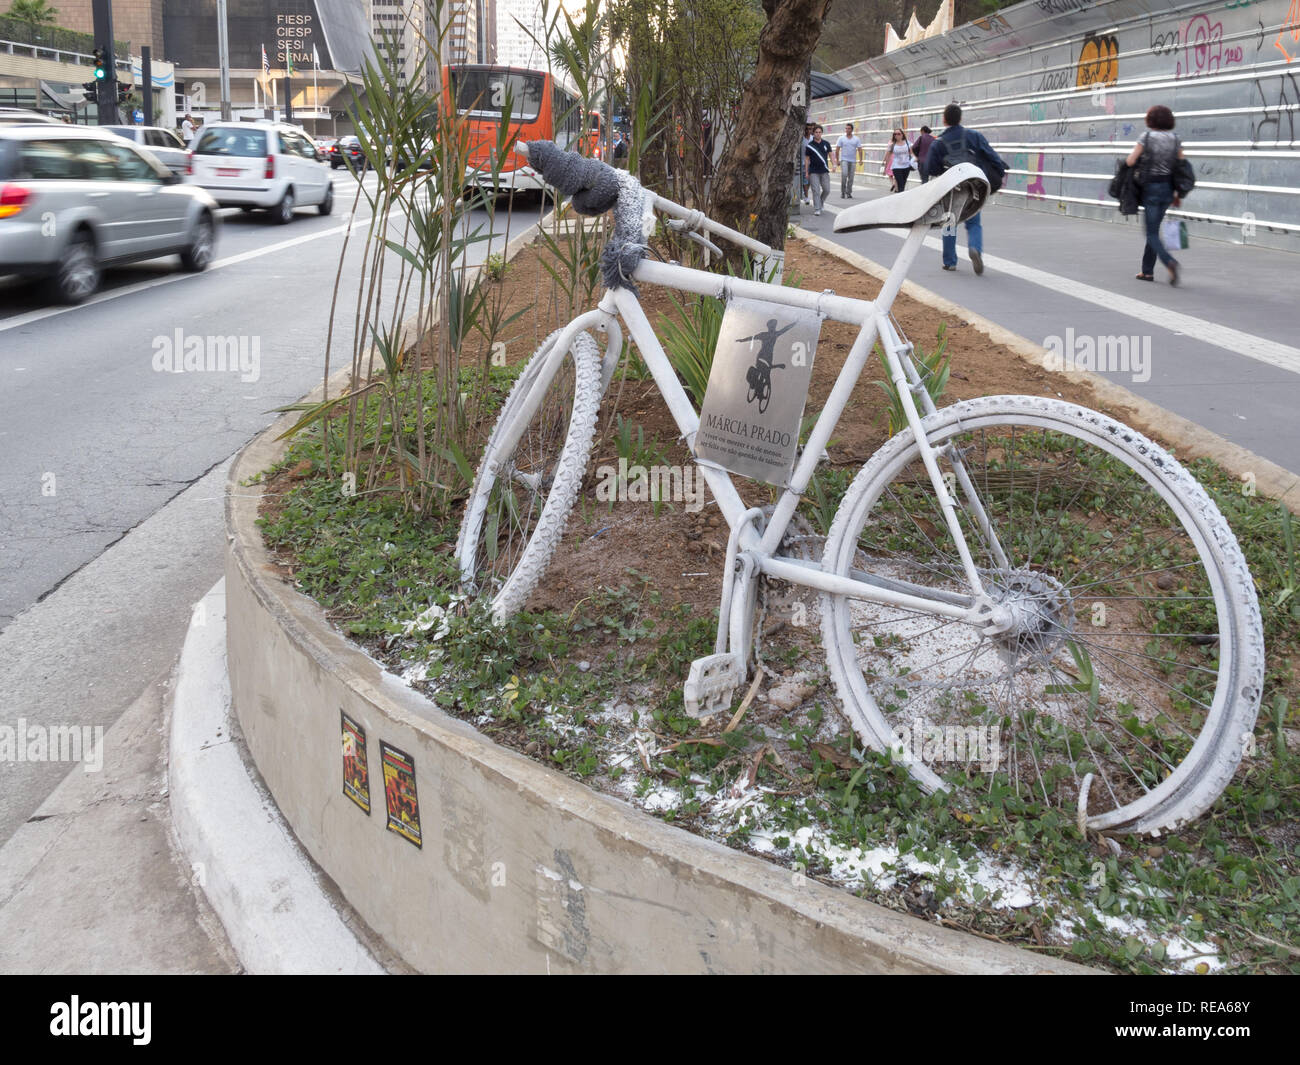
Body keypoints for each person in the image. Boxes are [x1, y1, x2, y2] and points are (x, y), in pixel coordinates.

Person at [925, 103, 1008, 275]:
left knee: (950, 221)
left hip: (951, 187)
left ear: (944, 119)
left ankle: (950, 262)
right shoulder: (974, 136)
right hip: (973, 185)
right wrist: (998, 175)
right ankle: (974, 248)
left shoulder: (938, 143)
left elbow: (931, 169)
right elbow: (991, 156)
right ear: (960, 118)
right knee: (974, 222)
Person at [1127, 104, 1184, 286]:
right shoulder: (1175, 139)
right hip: (1168, 189)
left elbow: (1131, 160)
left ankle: (1169, 262)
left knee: (1151, 232)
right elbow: (1181, 168)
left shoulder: (1147, 137)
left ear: (1150, 120)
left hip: (1151, 188)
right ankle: (1147, 271)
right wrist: (1178, 193)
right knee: (1154, 229)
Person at [804, 125, 832, 215]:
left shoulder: (826, 144)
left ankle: (821, 201)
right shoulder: (810, 145)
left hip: (824, 170)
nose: (818, 134)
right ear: (813, 133)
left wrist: (834, 164)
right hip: (813, 171)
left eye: (820, 132)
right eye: (816, 132)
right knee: (815, 190)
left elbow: (831, 155)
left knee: (827, 189)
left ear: (822, 133)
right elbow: (807, 159)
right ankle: (817, 209)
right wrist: (807, 172)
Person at [835, 122, 863, 200]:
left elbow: (860, 150)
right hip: (844, 160)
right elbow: (837, 150)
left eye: (849, 128)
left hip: (853, 161)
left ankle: (849, 192)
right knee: (844, 175)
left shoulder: (856, 139)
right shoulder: (841, 138)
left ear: (852, 130)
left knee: (851, 178)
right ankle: (843, 192)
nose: (847, 130)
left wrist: (860, 160)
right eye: (846, 128)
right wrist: (837, 160)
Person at [881, 128, 914, 192]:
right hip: (896, 167)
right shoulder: (892, 145)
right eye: (895, 134)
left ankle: (900, 195)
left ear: (902, 135)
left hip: (906, 166)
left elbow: (911, 153)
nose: (897, 135)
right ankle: (901, 197)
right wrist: (885, 169)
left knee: (903, 184)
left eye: (898, 134)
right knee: (900, 183)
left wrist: (915, 159)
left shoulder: (908, 143)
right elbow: (888, 157)